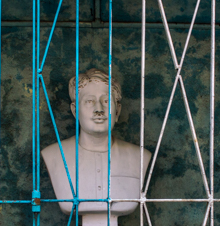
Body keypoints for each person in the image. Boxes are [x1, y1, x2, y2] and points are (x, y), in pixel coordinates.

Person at [42, 68, 151, 217]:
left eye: (106, 101)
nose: (99, 110)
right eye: (89, 101)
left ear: (117, 110)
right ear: (75, 111)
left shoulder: (139, 156)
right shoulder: (54, 155)